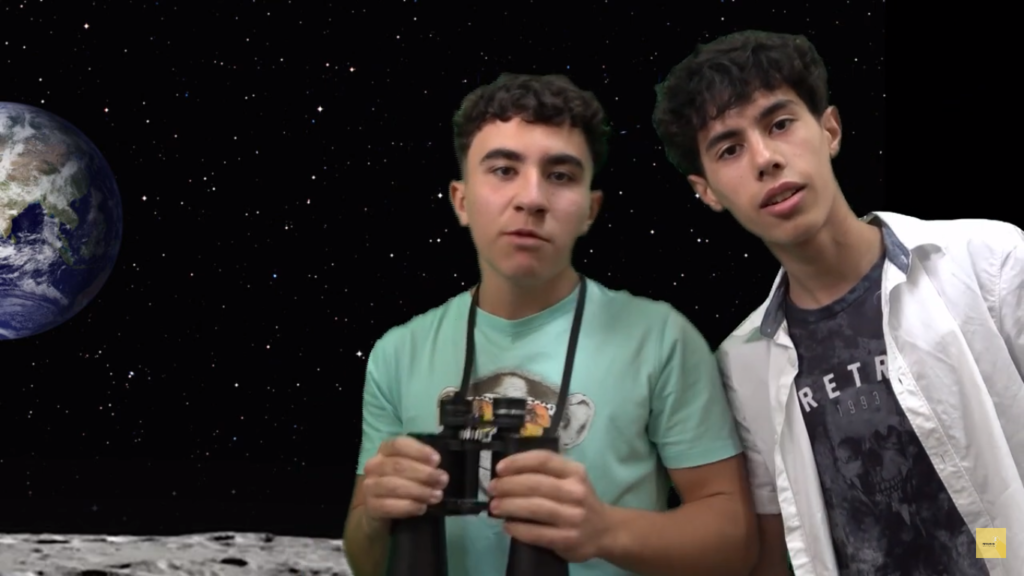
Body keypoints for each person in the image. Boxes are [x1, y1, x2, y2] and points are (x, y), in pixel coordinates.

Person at [342, 73, 758, 576]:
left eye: (560, 175)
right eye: (503, 170)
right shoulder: (397, 354)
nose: (531, 198)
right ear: (461, 200)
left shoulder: (661, 339)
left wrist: (603, 530)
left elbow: (736, 541)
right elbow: (366, 561)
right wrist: (376, 519)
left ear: (590, 210)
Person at [652, 30, 1024, 575]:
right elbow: (775, 546)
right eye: (729, 149)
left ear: (829, 129)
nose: (765, 159)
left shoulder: (991, 263)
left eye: (780, 124)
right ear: (706, 190)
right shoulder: (741, 364)